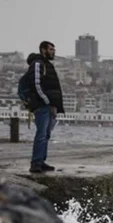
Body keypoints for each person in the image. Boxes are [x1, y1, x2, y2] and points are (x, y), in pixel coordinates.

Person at [25, 41, 64, 173]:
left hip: (50, 106)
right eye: (51, 49)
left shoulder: (48, 65)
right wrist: (47, 102)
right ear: (43, 50)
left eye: (54, 49)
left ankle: (41, 161)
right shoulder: (38, 64)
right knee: (41, 134)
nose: (53, 51)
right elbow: (36, 85)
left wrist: (55, 105)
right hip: (42, 106)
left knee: (46, 134)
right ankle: (36, 163)